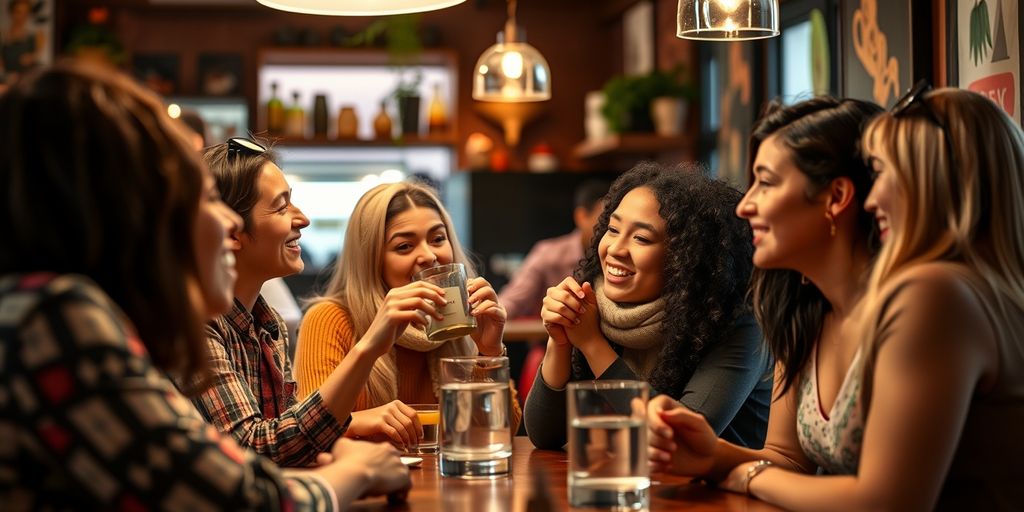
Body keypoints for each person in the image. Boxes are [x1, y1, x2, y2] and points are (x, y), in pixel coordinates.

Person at [0, 61, 409, 509]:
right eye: (197, 196)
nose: (225, 221)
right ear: (121, 200)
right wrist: (356, 472)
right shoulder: (56, 319)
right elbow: (244, 497)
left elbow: (232, 465)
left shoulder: (60, 312)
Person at [651, 86, 1024, 510]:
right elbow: (788, 460)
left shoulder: (930, 295)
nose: (744, 205)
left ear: (837, 197)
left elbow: (887, 502)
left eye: (766, 182)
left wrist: (745, 475)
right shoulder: (805, 307)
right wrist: (714, 456)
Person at [184, 137, 428, 464]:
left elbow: (286, 439)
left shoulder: (267, 325)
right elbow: (253, 449)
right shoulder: (197, 325)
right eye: (282, 206)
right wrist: (370, 346)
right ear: (232, 231)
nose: (303, 219)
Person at [525, 162, 771, 450]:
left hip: (728, 493)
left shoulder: (735, 322)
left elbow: (679, 441)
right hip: (637, 486)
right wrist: (561, 339)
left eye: (641, 238)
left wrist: (592, 345)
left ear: (686, 257)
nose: (616, 249)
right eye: (613, 229)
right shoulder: (600, 307)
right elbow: (545, 435)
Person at [295, 181, 522, 434]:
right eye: (404, 246)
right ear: (372, 261)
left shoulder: (460, 320)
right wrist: (363, 421)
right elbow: (307, 431)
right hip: (370, 472)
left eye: (437, 238)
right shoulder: (329, 319)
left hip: (443, 472)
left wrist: (489, 352)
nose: (428, 255)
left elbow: (503, 431)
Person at [498, 179, 610, 319]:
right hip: (552, 338)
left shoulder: (617, 256)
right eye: (604, 221)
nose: (609, 229)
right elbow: (511, 302)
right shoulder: (548, 254)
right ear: (581, 217)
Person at [1, 0, 45, 84]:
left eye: (26, 13)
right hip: (6, 80)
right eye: (18, 12)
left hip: (26, 82)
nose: (22, 16)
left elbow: (35, 58)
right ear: (11, 13)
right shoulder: (3, 35)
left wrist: (32, 57)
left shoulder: (35, 36)